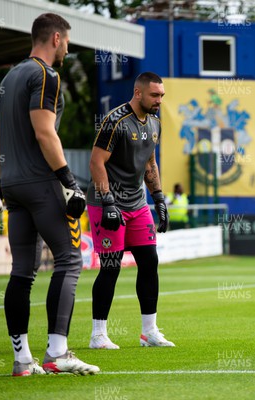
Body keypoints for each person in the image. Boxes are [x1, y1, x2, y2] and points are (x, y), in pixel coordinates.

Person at [0, 13, 99, 376]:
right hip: (41, 184)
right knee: (69, 260)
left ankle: (22, 360)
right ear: (56, 38)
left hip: (13, 186)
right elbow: (45, 133)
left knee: (22, 272)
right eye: (68, 41)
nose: (69, 48)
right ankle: (57, 353)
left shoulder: (10, 78)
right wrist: (69, 182)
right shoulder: (46, 75)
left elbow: (1, 142)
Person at [87, 71, 173, 350]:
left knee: (149, 261)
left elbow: (149, 164)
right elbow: (96, 162)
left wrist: (158, 198)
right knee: (111, 267)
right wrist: (109, 202)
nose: (159, 100)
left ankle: (149, 332)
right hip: (106, 202)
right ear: (138, 93)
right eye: (155, 95)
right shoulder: (115, 121)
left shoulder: (156, 123)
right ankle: (98, 335)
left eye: (161, 95)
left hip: (137, 203)